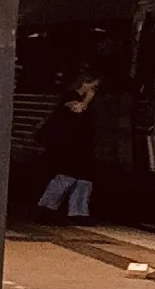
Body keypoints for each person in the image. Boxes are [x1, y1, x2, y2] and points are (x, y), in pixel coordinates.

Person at [35, 74, 106, 222]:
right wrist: (88, 98)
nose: (94, 90)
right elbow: (78, 109)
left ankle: (78, 213)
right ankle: (46, 208)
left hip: (81, 145)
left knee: (84, 179)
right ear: (83, 84)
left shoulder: (87, 102)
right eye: (93, 86)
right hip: (68, 145)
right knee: (67, 176)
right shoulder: (71, 97)